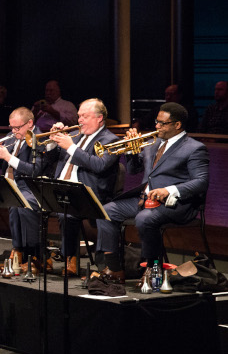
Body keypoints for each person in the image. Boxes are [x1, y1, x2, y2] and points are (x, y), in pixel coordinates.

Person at [96, 103, 209, 284]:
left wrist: (169, 190)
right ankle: (114, 268)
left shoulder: (194, 148)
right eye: (156, 122)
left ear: (177, 125)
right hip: (145, 199)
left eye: (162, 123)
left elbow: (201, 182)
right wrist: (132, 152)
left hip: (177, 204)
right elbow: (134, 170)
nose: (156, 126)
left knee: (144, 219)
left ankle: (152, 269)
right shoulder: (152, 143)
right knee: (106, 210)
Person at [47, 99, 121, 276]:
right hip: (63, 188)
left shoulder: (110, 139)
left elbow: (99, 165)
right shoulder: (76, 135)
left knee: (67, 212)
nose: (79, 120)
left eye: (85, 116)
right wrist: (52, 141)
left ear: (99, 118)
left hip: (91, 193)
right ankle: (33, 256)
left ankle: (70, 259)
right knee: (30, 204)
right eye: (79, 116)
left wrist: (71, 147)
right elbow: (52, 160)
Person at [0, 108, 56, 273]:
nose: (13, 131)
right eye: (11, 127)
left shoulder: (40, 139)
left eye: (17, 128)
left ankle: (37, 256)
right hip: (11, 185)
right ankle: (18, 252)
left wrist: (8, 156)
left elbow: (36, 170)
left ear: (30, 123)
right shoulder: (15, 138)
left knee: (22, 204)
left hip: (32, 187)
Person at [133, 84, 198, 132]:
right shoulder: (159, 109)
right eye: (166, 94)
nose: (168, 97)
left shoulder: (189, 111)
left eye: (171, 94)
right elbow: (142, 122)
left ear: (179, 95)